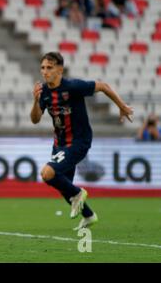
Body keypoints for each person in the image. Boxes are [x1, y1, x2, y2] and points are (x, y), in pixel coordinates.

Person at [30, 52, 134, 230]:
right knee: (64, 186)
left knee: (48, 174)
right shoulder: (44, 92)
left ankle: (79, 193)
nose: (45, 72)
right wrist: (35, 101)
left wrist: (122, 106)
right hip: (59, 143)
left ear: (60, 70)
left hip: (78, 141)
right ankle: (89, 215)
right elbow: (35, 119)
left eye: (49, 67)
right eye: (42, 68)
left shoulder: (72, 86)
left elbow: (103, 86)